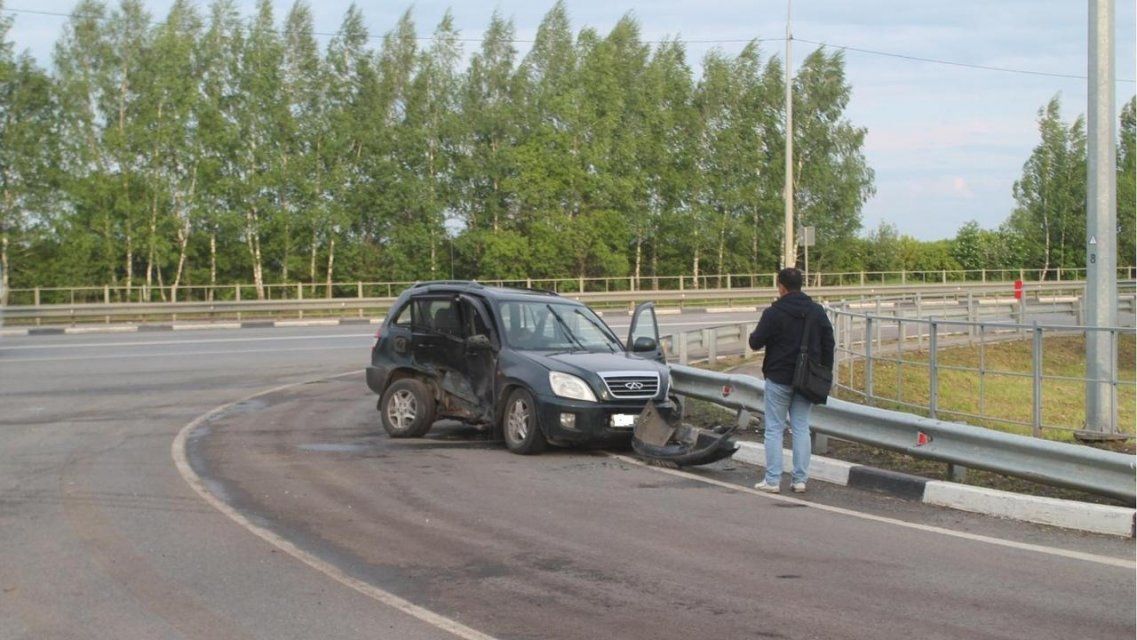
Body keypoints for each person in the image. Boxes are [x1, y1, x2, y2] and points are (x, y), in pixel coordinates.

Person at [747, 267, 835, 494]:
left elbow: (756, 343)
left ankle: (773, 480)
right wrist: (824, 372)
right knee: (801, 427)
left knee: (774, 429)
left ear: (781, 286)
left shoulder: (773, 313)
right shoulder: (816, 311)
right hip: (806, 380)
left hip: (778, 377)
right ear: (801, 285)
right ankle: (800, 480)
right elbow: (829, 344)